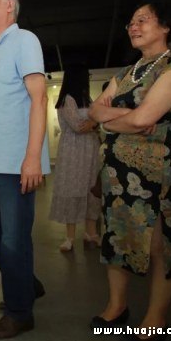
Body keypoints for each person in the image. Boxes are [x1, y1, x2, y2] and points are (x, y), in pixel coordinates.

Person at [88, 0, 171, 340]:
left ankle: (156, 317)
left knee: (158, 246)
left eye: (143, 19)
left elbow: (142, 119)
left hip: (152, 175)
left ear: (165, 26)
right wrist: (123, 118)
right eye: (131, 21)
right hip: (115, 174)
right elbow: (94, 112)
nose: (133, 25)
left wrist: (117, 119)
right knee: (115, 239)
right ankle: (117, 306)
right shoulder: (126, 73)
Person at [0, 0, 50, 339]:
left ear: (10, 6)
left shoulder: (24, 40)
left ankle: (20, 312)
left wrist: (32, 157)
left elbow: (39, 99)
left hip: (16, 163)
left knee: (13, 240)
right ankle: (26, 284)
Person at [49, 67, 102, 252]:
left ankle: (91, 232)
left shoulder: (86, 98)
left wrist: (94, 124)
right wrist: (96, 123)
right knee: (72, 189)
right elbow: (78, 126)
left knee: (91, 189)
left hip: (90, 149)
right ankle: (70, 237)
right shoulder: (67, 100)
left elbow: (92, 123)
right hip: (73, 151)